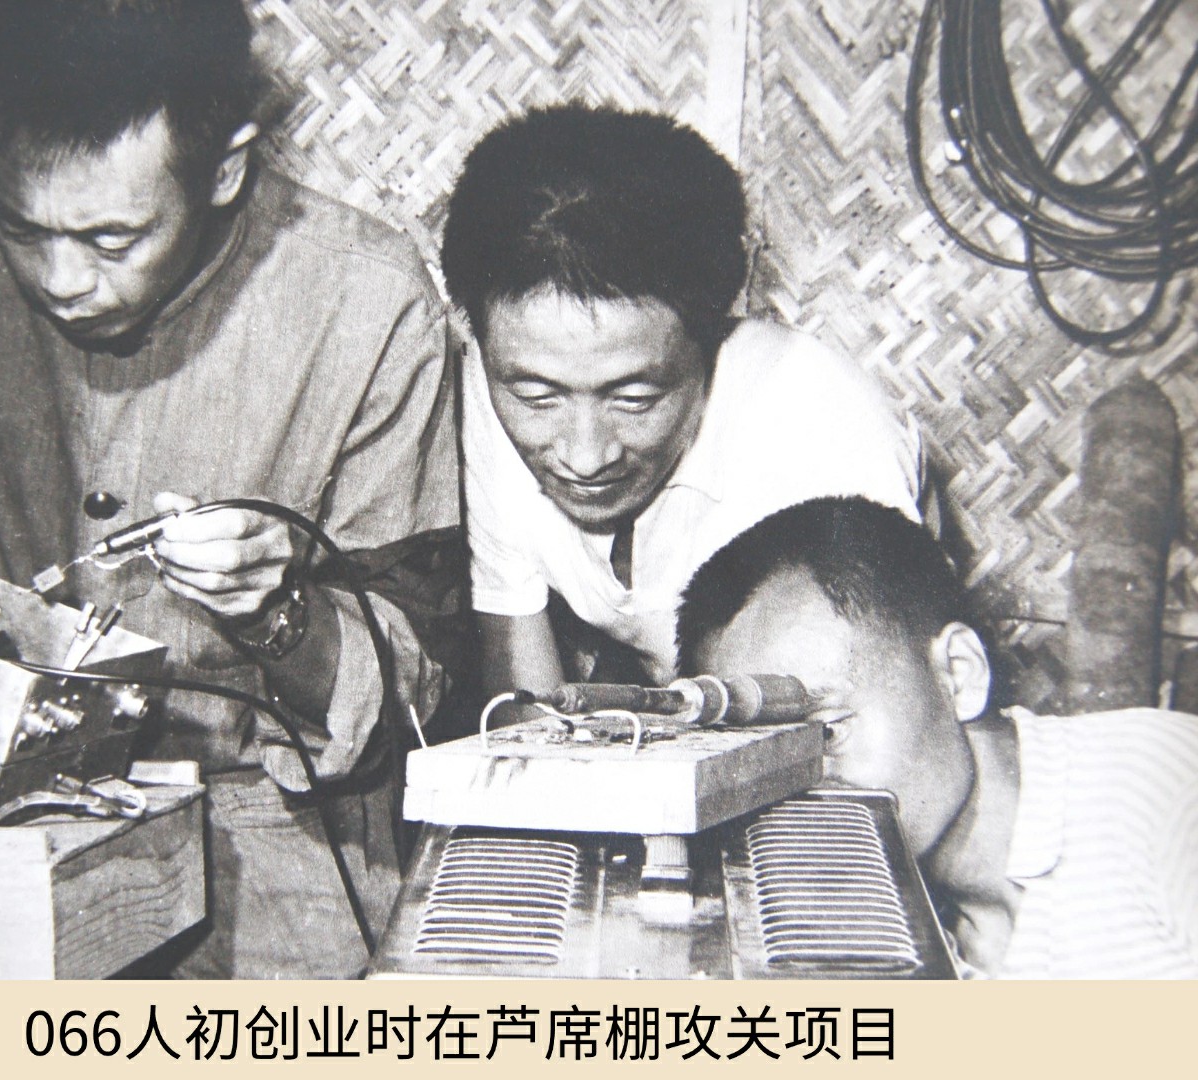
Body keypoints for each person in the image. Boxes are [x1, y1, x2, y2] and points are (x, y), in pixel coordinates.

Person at [0, 0, 461, 978]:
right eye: (21, 227)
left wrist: (278, 611)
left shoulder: (366, 301)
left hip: (273, 831)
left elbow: (417, 692)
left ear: (225, 168)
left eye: (112, 238)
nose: (60, 279)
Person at [439, 103, 923, 699]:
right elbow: (524, 705)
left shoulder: (821, 425)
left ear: (712, 337)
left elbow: (884, 723)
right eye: (539, 397)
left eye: (634, 397)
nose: (584, 457)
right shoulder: (496, 378)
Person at [676, 496, 1198, 978]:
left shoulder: (1165, 793)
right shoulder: (880, 932)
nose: (801, 792)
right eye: (758, 759)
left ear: (959, 673)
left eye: (828, 731)